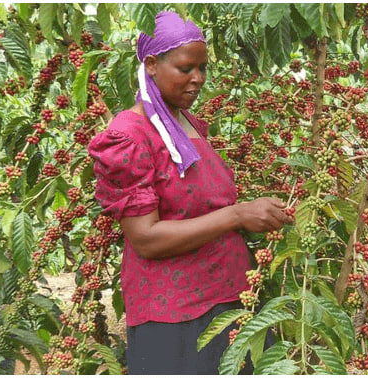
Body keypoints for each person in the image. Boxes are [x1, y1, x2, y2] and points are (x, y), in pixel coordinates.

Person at [87, 11, 292, 374]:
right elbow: (145, 238)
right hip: (177, 320)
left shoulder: (186, 124)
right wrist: (237, 215)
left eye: (203, 68)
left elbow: (202, 205)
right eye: (185, 68)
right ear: (152, 65)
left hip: (231, 301)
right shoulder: (129, 136)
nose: (198, 78)